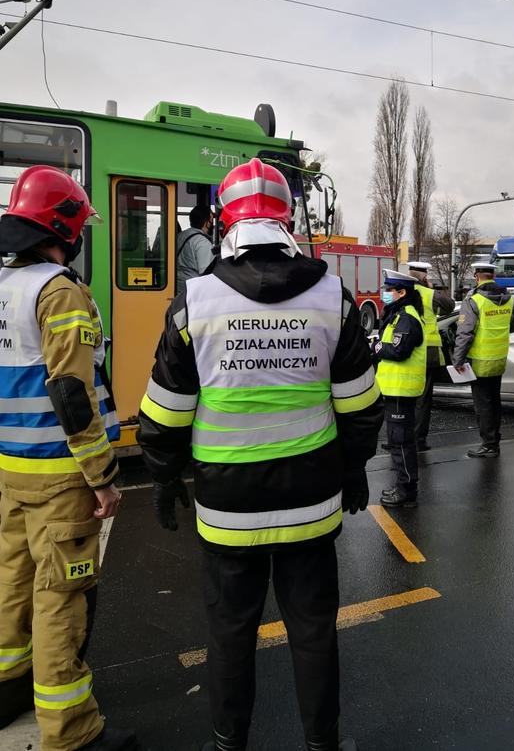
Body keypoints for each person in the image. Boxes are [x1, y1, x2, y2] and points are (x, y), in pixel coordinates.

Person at [137, 158, 382, 751]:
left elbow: (165, 413)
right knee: (314, 630)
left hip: (226, 507)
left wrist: (166, 480)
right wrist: (353, 470)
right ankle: (324, 744)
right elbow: (360, 404)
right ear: (288, 218)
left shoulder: (194, 303)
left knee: (229, 632)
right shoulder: (333, 297)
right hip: (311, 501)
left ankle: (228, 743)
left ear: (225, 222)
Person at [0, 167, 135, 750]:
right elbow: (72, 393)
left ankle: (5, 692)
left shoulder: (4, 288)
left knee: (10, 586)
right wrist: (102, 476)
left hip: (9, 469)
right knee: (61, 599)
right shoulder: (60, 291)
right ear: (65, 228)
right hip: (59, 476)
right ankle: (72, 731)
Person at [374, 270, 426, 508]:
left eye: (389, 290)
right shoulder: (399, 314)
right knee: (399, 440)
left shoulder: (407, 317)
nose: (385, 294)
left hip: (401, 389)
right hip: (396, 388)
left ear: (401, 292)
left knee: (401, 442)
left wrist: (376, 349)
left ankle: (406, 489)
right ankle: (403, 486)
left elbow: (398, 350)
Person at [453, 261, 514, 458]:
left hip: (480, 360)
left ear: (477, 276)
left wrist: (458, 359)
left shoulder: (474, 300)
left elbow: (465, 332)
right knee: (494, 402)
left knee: (483, 405)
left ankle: (489, 445)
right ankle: (494, 440)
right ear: (493, 276)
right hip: (499, 358)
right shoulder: (508, 298)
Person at [407, 260, 455, 452]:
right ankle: (418, 440)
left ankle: (400, 438)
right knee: (422, 400)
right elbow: (449, 305)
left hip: (404, 350)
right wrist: (431, 288)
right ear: (425, 276)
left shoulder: (399, 292)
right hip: (427, 352)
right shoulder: (429, 294)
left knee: (402, 398)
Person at [176, 204, 215, 294]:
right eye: (211, 220)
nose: (212, 224)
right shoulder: (202, 242)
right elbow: (206, 275)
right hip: (193, 291)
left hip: (179, 287)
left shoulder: (180, 236)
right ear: (206, 223)